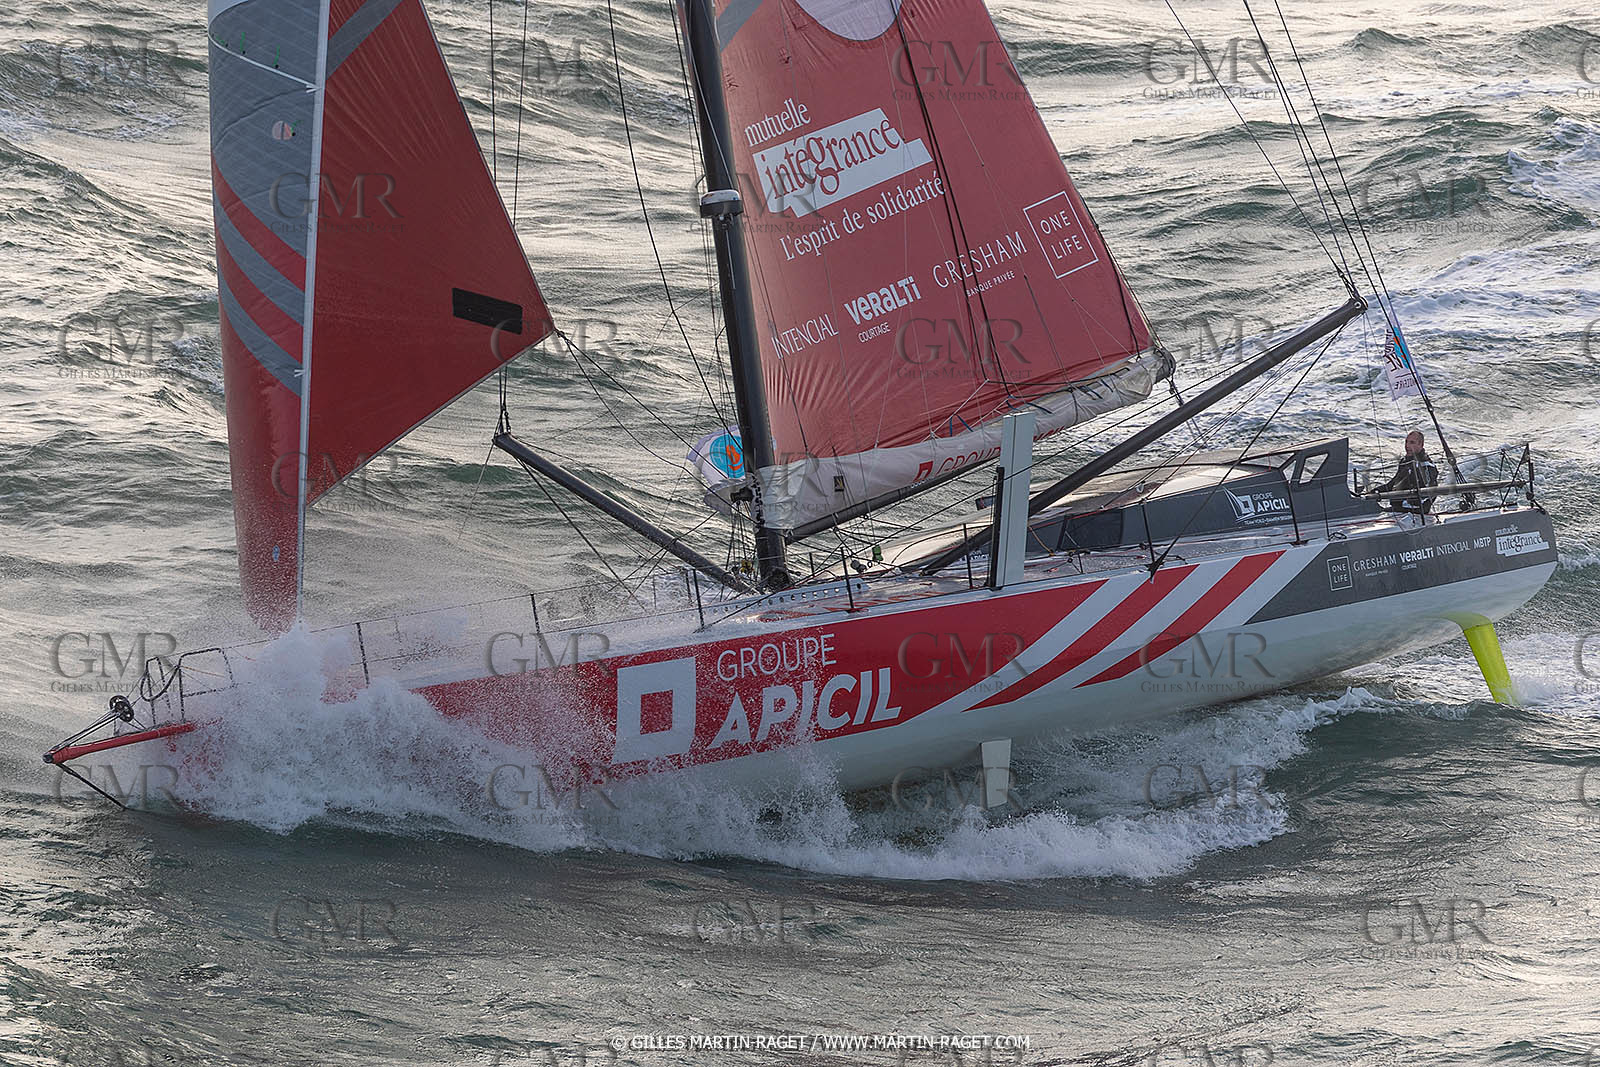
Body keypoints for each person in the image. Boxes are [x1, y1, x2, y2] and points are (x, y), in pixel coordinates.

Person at [1373, 430, 1439, 515]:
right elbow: (1393, 484)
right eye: (1406, 442)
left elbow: (1431, 491)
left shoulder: (1427, 466)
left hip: (1416, 512)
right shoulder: (1404, 462)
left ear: (1421, 445)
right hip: (1399, 509)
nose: (1407, 446)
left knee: (1380, 513)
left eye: (1412, 442)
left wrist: (1413, 502)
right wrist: (1375, 492)